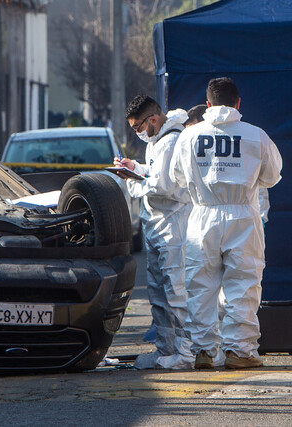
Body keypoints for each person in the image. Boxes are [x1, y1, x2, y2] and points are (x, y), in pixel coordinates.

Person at [170, 77, 282, 369]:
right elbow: (271, 177)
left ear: (207, 104)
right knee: (243, 284)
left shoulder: (188, 137)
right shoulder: (256, 135)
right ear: (238, 102)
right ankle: (239, 351)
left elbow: (176, 179)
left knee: (200, 285)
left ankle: (204, 351)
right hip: (242, 214)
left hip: (203, 214)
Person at [114, 95, 193, 369]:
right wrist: (135, 168)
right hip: (158, 226)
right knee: (159, 292)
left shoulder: (171, 140)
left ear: (153, 120)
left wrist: (133, 181)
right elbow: (157, 173)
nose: (137, 133)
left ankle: (184, 352)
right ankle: (166, 350)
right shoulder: (158, 141)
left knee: (176, 291)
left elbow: (165, 186)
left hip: (172, 226)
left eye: (138, 128)